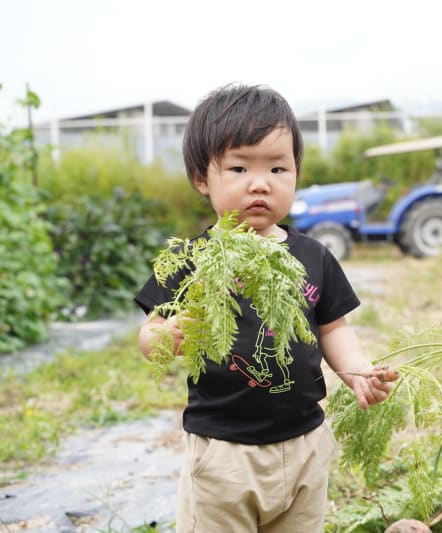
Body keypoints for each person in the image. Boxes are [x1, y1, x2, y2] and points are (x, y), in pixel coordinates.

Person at [134, 83, 391, 532]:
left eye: (278, 167)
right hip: (223, 452)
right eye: (238, 167)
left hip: (306, 444)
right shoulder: (191, 260)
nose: (260, 182)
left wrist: (357, 371)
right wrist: (167, 336)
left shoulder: (313, 256)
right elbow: (149, 331)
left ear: (295, 173)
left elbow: (333, 328)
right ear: (202, 178)